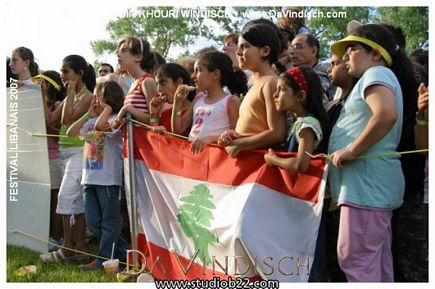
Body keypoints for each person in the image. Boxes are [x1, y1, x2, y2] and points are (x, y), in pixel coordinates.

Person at [328, 23, 415, 282]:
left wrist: (352, 150)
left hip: (366, 187)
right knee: (372, 260)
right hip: (368, 186)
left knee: (355, 257)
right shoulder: (374, 76)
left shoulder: (377, 73)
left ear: (376, 54)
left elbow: (386, 114)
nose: (345, 56)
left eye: (352, 48)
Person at [264, 66, 328, 282]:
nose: (275, 94)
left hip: (308, 206)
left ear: (300, 96)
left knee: (311, 256)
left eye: (281, 90)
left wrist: (274, 160)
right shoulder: (298, 124)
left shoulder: (307, 125)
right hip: (300, 204)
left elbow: (302, 163)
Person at [67, 80, 129, 270]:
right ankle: (125, 252)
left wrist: (108, 109)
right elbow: (71, 132)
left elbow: (103, 126)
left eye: (98, 94)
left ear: (109, 97)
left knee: (108, 223)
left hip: (108, 180)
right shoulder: (92, 120)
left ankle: (103, 261)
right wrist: (87, 114)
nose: (95, 98)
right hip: (89, 179)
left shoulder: (115, 120)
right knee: (94, 223)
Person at [40, 54, 95, 262]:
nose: (62, 76)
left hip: (78, 153)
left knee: (64, 198)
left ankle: (67, 247)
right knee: (75, 202)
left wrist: (71, 93)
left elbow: (68, 118)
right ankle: (78, 248)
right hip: (64, 153)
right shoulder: (67, 97)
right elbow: (50, 119)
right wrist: (42, 95)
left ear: (79, 74)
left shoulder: (88, 96)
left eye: (66, 72)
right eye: (61, 71)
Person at [218, 19, 287, 157]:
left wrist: (240, 144)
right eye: (238, 47)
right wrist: (235, 136)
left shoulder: (271, 83)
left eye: (244, 47)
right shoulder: (254, 85)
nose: (238, 53)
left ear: (265, 51)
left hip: (259, 165)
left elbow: (277, 133)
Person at [172, 51, 246, 153]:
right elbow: (178, 130)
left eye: (198, 70)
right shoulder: (198, 98)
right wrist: (177, 103)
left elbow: (236, 136)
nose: (193, 76)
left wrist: (211, 138)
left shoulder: (230, 101)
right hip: (194, 158)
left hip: (216, 160)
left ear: (215, 74)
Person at [32, 70, 66, 251]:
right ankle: (43, 235)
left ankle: (56, 238)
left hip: (54, 157)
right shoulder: (37, 104)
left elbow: (58, 134)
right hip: (38, 156)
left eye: (43, 83)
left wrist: (44, 121)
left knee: (55, 199)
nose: (40, 86)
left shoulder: (59, 104)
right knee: (42, 199)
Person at [116, 37, 158, 125]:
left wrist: (128, 108)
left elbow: (155, 120)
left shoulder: (147, 81)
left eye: (124, 50)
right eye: (118, 52)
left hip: (142, 138)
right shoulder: (133, 83)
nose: (118, 54)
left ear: (138, 57)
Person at [289, 34, 335, 103]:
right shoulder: (296, 75)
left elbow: (316, 95)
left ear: (313, 51)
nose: (291, 52)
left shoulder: (326, 71)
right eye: (290, 48)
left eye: (297, 47)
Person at [150, 63, 195, 133]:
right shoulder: (166, 113)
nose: (158, 89)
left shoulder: (195, 111)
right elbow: (155, 139)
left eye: (163, 82)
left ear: (179, 82)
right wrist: (154, 115)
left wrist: (166, 135)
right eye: (157, 84)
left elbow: (182, 141)